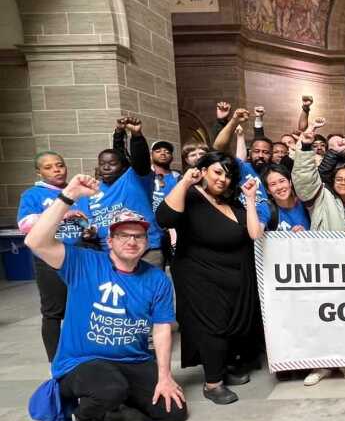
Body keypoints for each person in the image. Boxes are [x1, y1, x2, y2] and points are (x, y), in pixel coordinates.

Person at [25, 186, 186, 421]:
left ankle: (115, 396)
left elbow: (161, 329)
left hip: (133, 360)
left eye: (139, 236)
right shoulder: (83, 262)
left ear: (147, 242)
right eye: (123, 235)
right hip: (83, 361)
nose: (132, 241)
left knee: (172, 412)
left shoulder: (156, 278)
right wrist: (68, 197)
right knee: (110, 388)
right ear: (109, 240)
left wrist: (165, 376)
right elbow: (35, 241)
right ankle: (87, 416)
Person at [156, 152, 263, 405]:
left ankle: (222, 369)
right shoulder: (191, 197)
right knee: (211, 329)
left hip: (234, 278)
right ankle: (212, 383)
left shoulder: (232, 204)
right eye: (217, 172)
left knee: (228, 328)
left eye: (228, 175)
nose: (223, 179)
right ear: (202, 171)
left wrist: (249, 199)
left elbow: (254, 234)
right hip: (200, 279)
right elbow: (164, 218)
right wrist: (184, 182)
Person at [288, 127, 345, 386]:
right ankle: (322, 365)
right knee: (322, 317)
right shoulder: (321, 198)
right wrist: (305, 149)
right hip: (324, 269)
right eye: (338, 178)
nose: (342, 182)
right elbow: (304, 181)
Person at [17, 152, 90, 361]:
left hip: (79, 258)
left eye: (60, 165)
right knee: (53, 312)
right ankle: (56, 362)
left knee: (81, 308)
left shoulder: (78, 192)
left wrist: (89, 230)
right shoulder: (33, 195)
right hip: (49, 260)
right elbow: (25, 225)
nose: (57, 169)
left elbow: (85, 221)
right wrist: (62, 212)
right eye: (49, 167)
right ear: (39, 172)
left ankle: (82, 353)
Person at [78, 116, 164, 268]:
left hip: (146, 252)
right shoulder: (89, 190)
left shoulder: (133, 178)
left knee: (149, 291)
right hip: (110, 255)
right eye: (102, 164)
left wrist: (136, 136)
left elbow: (140, 160)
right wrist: (88, 229)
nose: (106, 167)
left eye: (112, 164)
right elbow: (82, 217)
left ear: (122, 167)